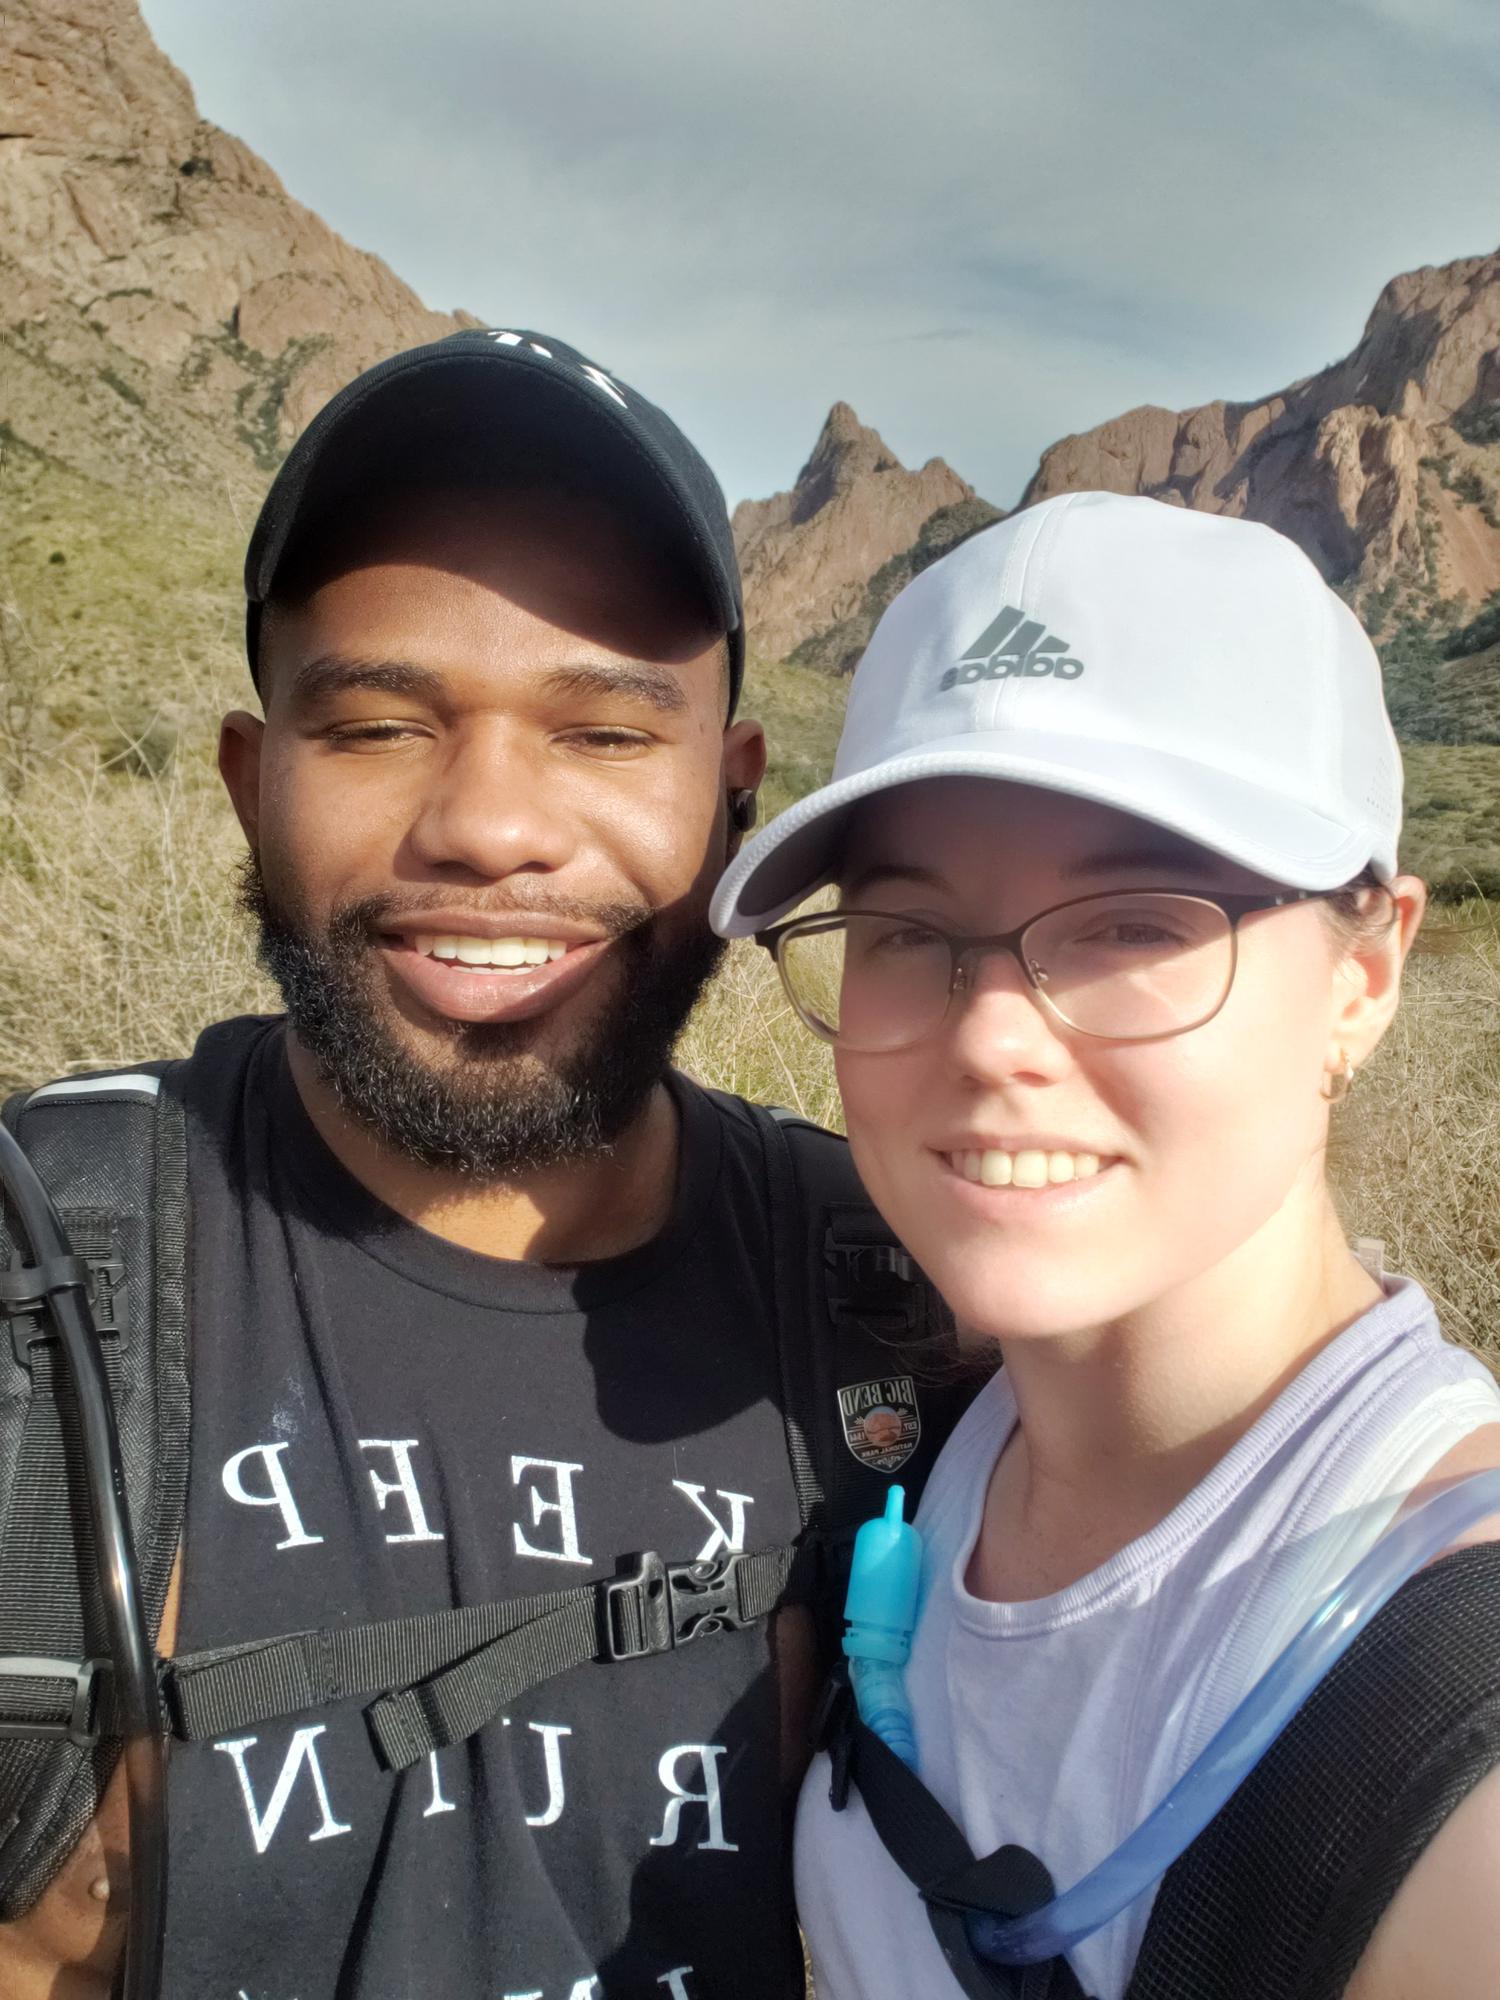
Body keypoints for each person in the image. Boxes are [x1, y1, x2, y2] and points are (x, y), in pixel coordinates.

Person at [0, 330, 962, 2000]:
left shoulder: (913, 1310)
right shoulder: (43, 1280)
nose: (487, 826)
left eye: (602, 736)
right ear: (252, 785)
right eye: (374, 725)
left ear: (735, 806)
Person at [711, 490, 1500, 1999]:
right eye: (908, 933)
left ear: (1366, 972)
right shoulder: (920, 1453)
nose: (992, 1034)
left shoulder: (1441, 1715)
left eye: (1133, 925)